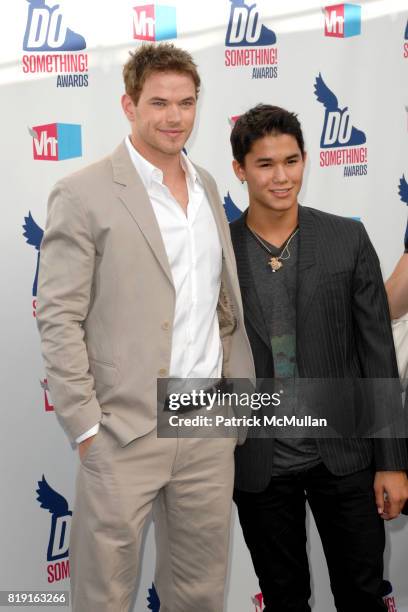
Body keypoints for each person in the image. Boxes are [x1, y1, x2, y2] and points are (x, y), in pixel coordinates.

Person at [36, 42, 254, 612]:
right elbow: (59, 315)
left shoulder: (207, 186)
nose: (174, 116)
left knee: (200, 592)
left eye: (186, 102)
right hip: (122, 426)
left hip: (205, 421)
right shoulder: (82, 194)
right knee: (104, 594)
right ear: (128, 105)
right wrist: (85, 426)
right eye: (158, 102)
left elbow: (217, 303)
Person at [228, 104, 408, 612]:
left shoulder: (345, 238)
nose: (282, 177)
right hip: (260, 462)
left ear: (306, 159)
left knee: (363, 596)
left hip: (346, 459)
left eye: (291, 160)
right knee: (284, 600)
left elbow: (377, 354)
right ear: (240, 169)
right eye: (265, 164)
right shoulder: (218, 252)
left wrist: (392, 462)